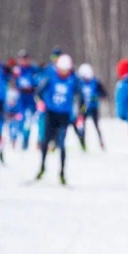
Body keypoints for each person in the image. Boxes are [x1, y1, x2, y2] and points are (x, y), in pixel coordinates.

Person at [36, 53, 78, 184]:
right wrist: (40, 103)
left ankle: (62, 173)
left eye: (66, 70)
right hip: (51, 113)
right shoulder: (51, 77)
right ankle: (42, 167)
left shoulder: (73, 80)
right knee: (45, 141)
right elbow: (38, 92)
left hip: (64, 115)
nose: (64, 73)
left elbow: (81, 96)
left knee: (61, 143)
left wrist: (79, 112)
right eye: (61, 70)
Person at [76, 63, 107, 151]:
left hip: (93, 107)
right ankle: (83, 144)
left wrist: (96, 96)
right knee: (81, 126)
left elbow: (104, 94)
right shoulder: (79, 83)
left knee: (96, 125)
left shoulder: (95, 82)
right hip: (83, 107)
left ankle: (101, 142)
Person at [12, 50, 39, 149]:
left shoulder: (33, 69)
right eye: (21, 59)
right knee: (18, 119)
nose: (23, 61)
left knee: (28, 120)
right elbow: (11, 81)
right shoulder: (17, 70)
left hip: (30, 97)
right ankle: (14, 138)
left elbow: (38, 80)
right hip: (20, 98)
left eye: (25, 59)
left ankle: (25, 139)